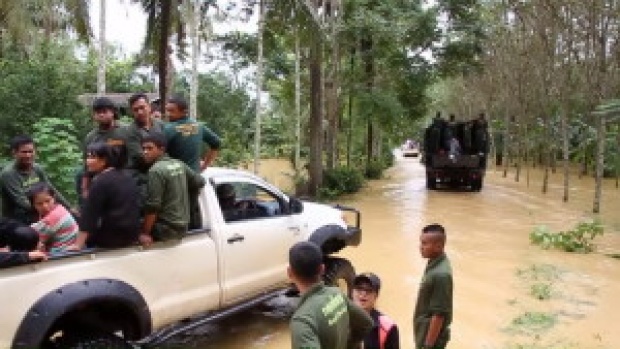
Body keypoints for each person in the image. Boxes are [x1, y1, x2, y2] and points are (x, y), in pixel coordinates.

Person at [288, 241, 373, 349]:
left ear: (290, 273)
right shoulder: (336, 293)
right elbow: (366, 323)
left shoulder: (302, 322)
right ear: (322, 269)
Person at [69, 142, 140, 250]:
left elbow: (89, 216)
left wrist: (78, 245)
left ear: (103, 161)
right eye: (87, 157)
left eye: (92, 157)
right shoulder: (127, 176)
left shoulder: (101, 181)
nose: (87, 161)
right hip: (131, 235)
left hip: (110, 238)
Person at [139, 133, 206, 247]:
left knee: (128, 227)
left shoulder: (155, 171)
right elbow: (200, 182)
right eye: (143, 149)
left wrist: (145, 233)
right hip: (183, 226)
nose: (145, 152)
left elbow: (153, 206)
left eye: (150, 148)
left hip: (166, 230)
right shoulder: (179, 164)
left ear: (161, 149)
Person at [0, 135, 72, 224]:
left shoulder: (37, 168)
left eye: (31, 151)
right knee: (31, 235)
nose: (28, 155)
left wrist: (69, 207)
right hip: (16, 218)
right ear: (14, 153)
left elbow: (51, 189)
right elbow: (22, 202)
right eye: (24, 152)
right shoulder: (9, 174)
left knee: (73, 217)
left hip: (40, 212)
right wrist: (50, 210)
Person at [77, 97, 128, 206]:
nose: (101, 115)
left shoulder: (126, 131)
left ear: (113, 112)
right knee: (78, 175)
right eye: (97, 112)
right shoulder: (91, 137)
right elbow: (86, 166)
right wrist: (85, 189)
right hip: (98, 179)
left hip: (122, 176)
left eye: (104, 112)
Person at [413, 224, 453, 349]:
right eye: (421, 242)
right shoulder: (435, 263)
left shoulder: (441, 275)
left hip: (430, 340)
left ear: (438, 246)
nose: (421, 247)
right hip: (424, 334)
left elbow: (439, 315)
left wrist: (428, 346)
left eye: (425, 243)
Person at [163, 95, 221, 172]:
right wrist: (205, 165)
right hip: (195, 178)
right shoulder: (199, 126)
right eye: (167, 110)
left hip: (177, 178)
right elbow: (217, 143)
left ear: (184, 112)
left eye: (172, 111)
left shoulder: (169, 128)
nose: (168, 114)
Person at [352, 273, 400, 349]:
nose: (363, 293)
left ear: (376, 295)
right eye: (359, 288)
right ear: (352, 292)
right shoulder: (340, 319)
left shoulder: (388, 327)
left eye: (369, 290)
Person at [27, 182, 78, 253]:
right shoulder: (60, 207)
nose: (45, 206)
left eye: (47, 201)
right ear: (33, 205)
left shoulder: (52, 218)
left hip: (61, 253)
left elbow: (33, 238)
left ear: (54, 197)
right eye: (39, 204)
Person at [125, 93, 166, 171]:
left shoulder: (160, 124)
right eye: (135, 110)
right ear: (132, 112)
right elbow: (141, 157)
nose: (140, 112)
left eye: (142, 107)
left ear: (149, 107)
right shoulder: (131, 131)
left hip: (162, 168)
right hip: (141, 172)